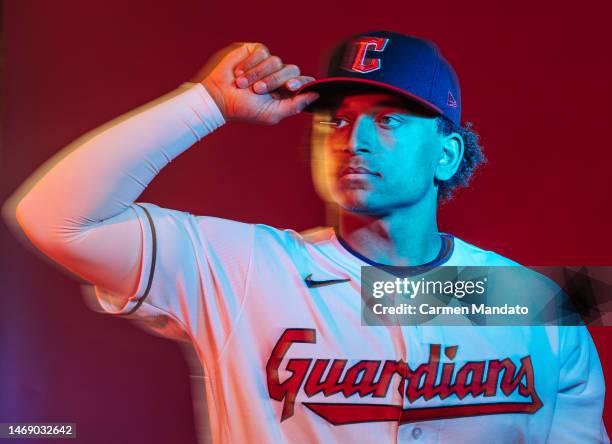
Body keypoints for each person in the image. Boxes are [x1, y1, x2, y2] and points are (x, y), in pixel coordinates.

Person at [11, 31, 608, 443]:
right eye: (337, 119)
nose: (355, 138)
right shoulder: (243, 269)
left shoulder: (536, 303)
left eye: (389, 119)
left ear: (447, 153)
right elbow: (57, 217)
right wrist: (208, 105)